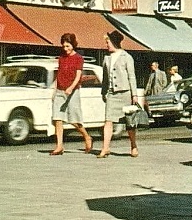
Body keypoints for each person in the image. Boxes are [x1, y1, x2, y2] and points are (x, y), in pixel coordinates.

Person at [49, 33, 94, 156]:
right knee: (57, 118)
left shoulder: (78, 58)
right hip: (60, 89)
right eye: (64, 46)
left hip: (73, 91)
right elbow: (59, 75)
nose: (65, 49)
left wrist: (71, 87)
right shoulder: (61, 58)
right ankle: (59, 146)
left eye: (68, 46)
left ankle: (87, 136)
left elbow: (78, 75)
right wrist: (54, 90)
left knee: (74, 119)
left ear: (73, 45)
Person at [99, 30, 139, 159]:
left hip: (125, 93)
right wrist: (104, 92)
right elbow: (105, 78)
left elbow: (132, 77)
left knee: (129, 123)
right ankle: (105, 148)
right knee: (108, 120)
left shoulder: (127, 57)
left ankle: (133, 145)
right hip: (112, 94)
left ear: (114, 42)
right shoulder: (106, 58)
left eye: (108, 42)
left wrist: (134, 95)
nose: (107, 45)